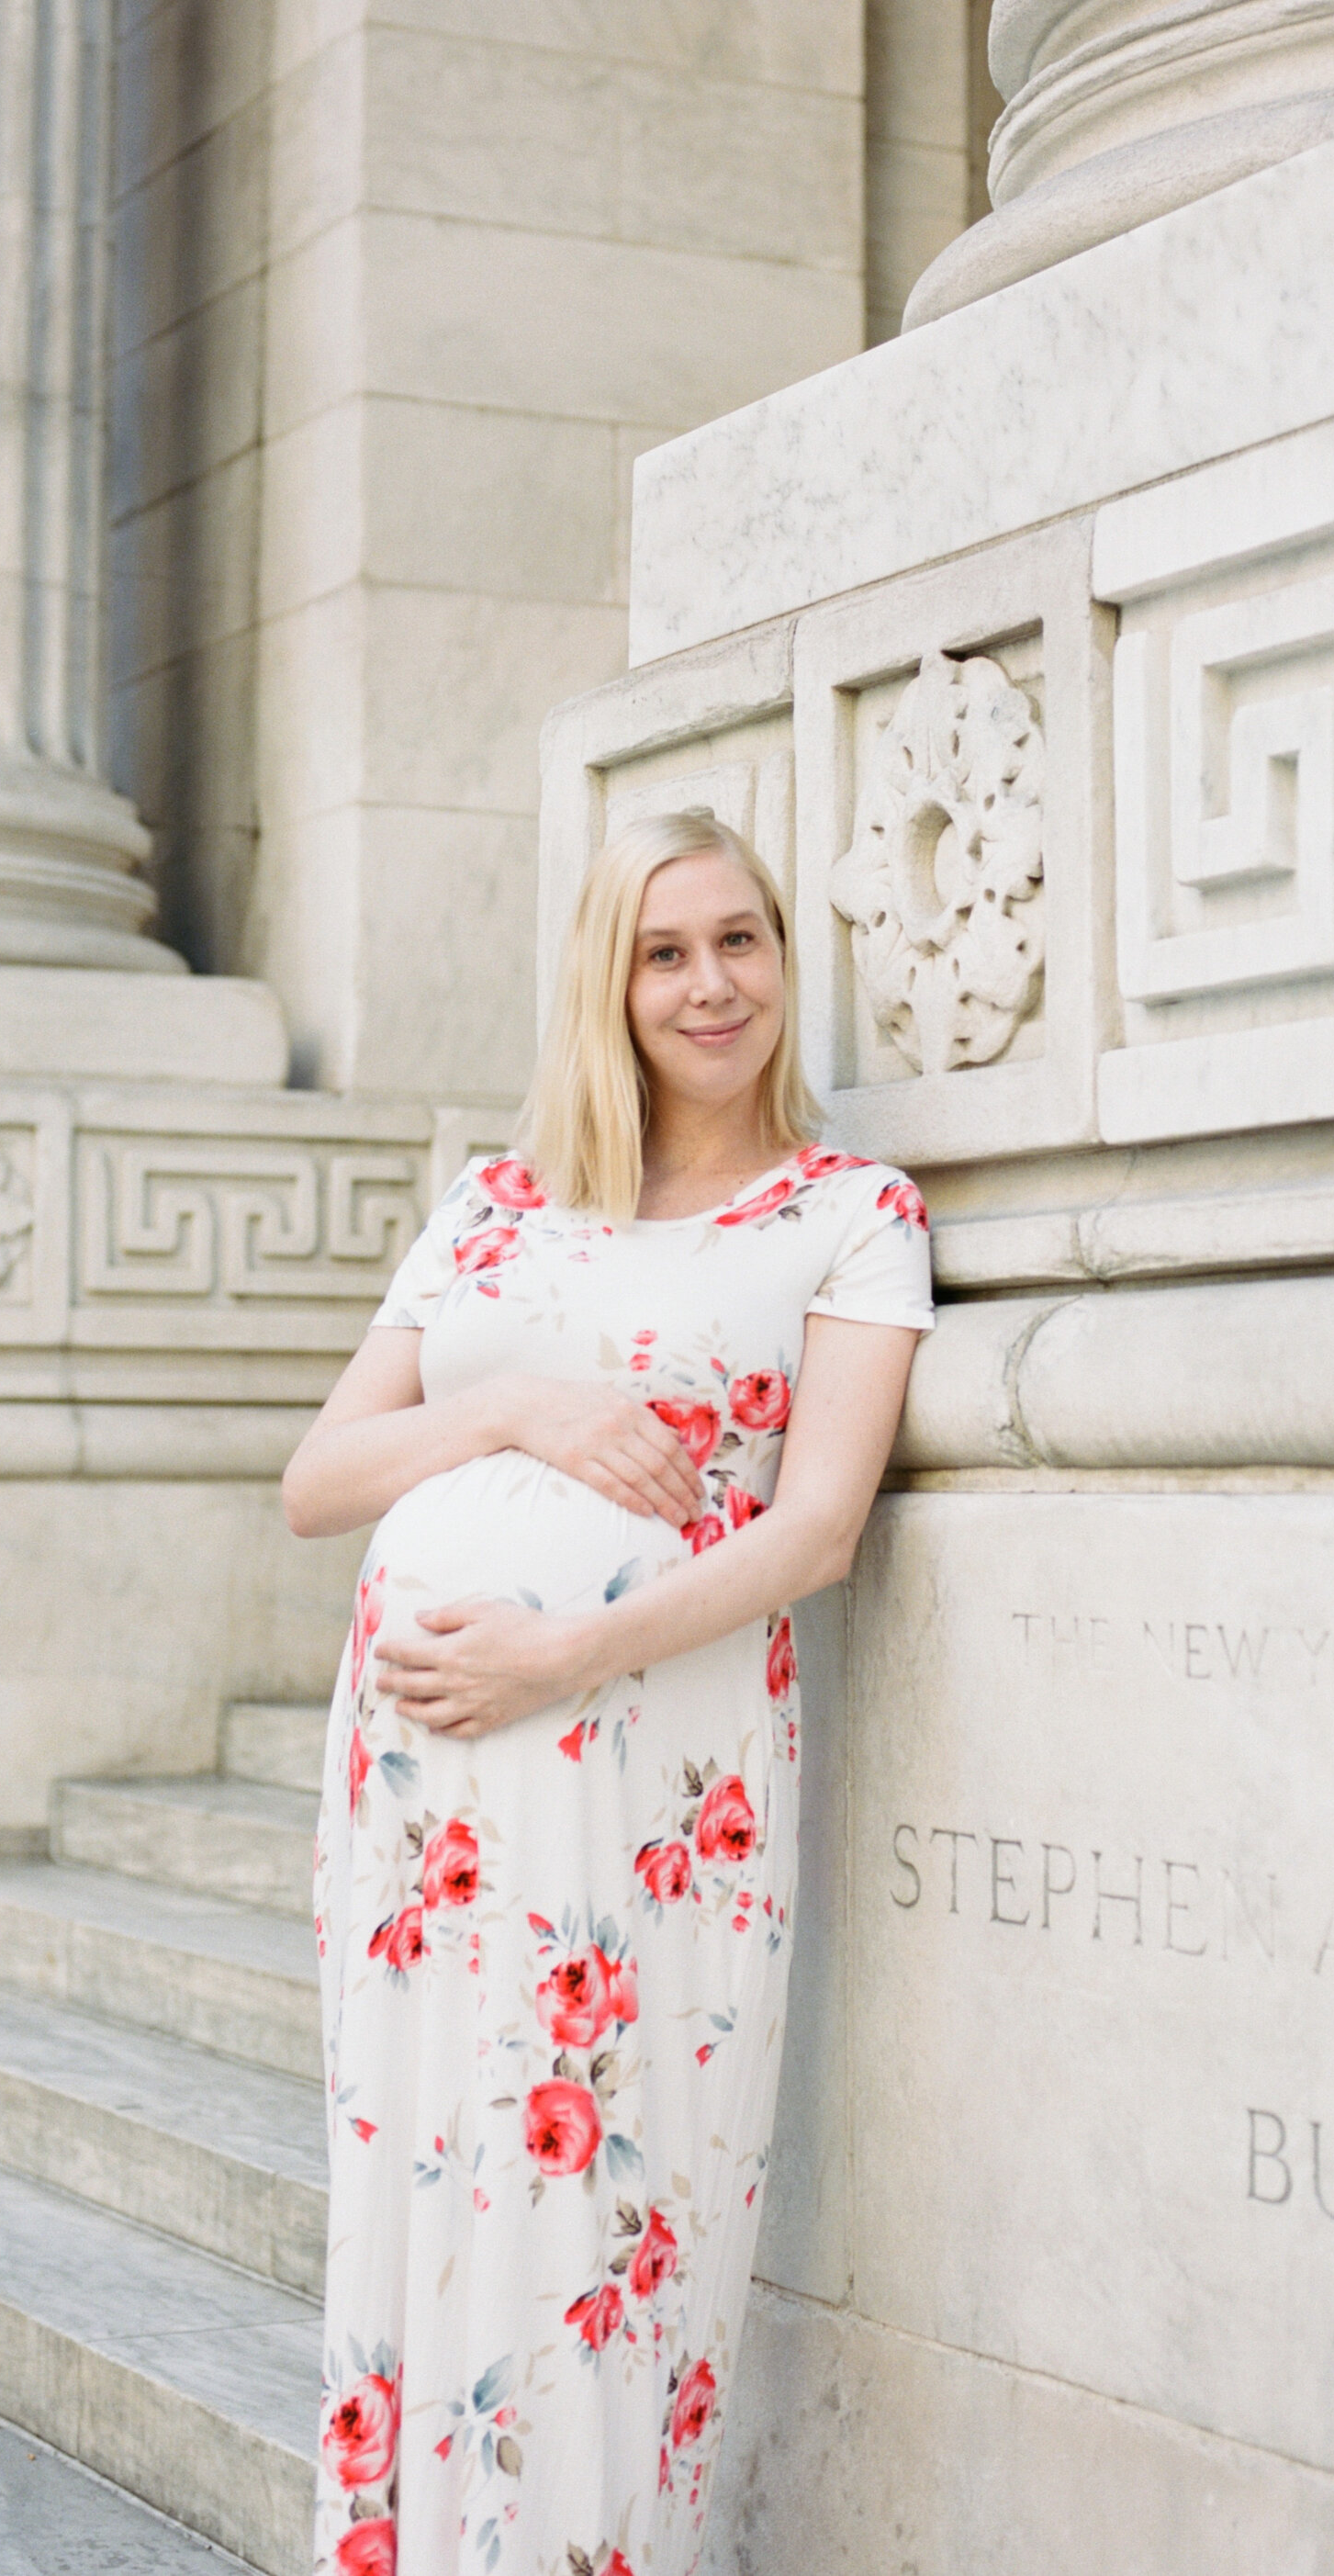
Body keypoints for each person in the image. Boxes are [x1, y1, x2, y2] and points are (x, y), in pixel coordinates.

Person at [284, 809, 933, 2576]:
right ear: (607, 979)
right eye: (666, 951)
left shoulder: (848, 1213)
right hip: (429, 1801)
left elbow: (817, 1532)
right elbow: (319, 1475)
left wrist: (561, 1652)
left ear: (787, 961)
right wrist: (516, 1413)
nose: (710, 983)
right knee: (430, 2181)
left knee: (605, 2206)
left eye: (742, 939)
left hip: (647, 1778)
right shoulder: (494, 1208)